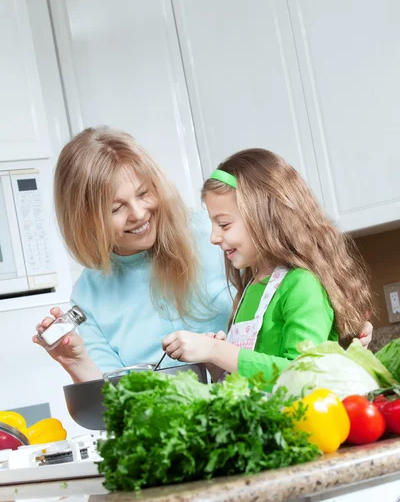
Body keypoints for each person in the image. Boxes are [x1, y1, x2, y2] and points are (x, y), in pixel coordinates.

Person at [33, 127, 232, 383]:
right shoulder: (89, 296)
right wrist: (76, 362)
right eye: (116, 208)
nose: (138, 213)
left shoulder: (214, 233)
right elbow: (112, 401)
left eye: (143, 193)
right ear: (85, 220)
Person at [162, 148, 373, 384]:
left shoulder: (302, 284)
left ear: (265, 217)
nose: (213, 237)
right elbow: (249, 378)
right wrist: (216, 363)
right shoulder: (251, 287)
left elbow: (303, 374)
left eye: (224, 224)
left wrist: (216, 350)